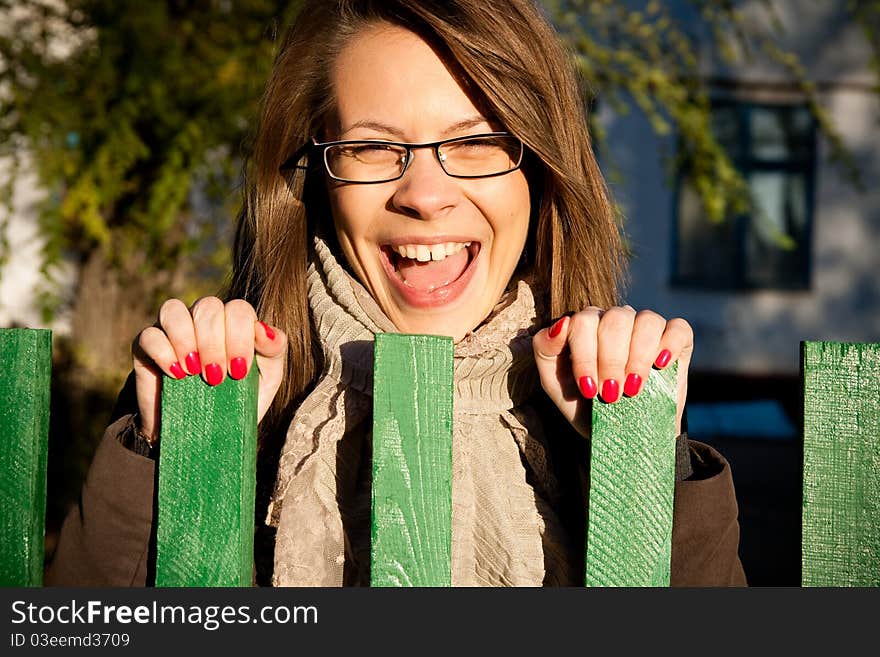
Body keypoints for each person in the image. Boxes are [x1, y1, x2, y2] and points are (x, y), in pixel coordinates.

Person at [46, 0, 746, 587]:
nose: (425, 196)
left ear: (540, 168)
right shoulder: (227, 394)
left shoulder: (596, 414)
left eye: (476, 141)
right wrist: (169, 453)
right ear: (316, 170)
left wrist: (651, 462)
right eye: (373, 147)